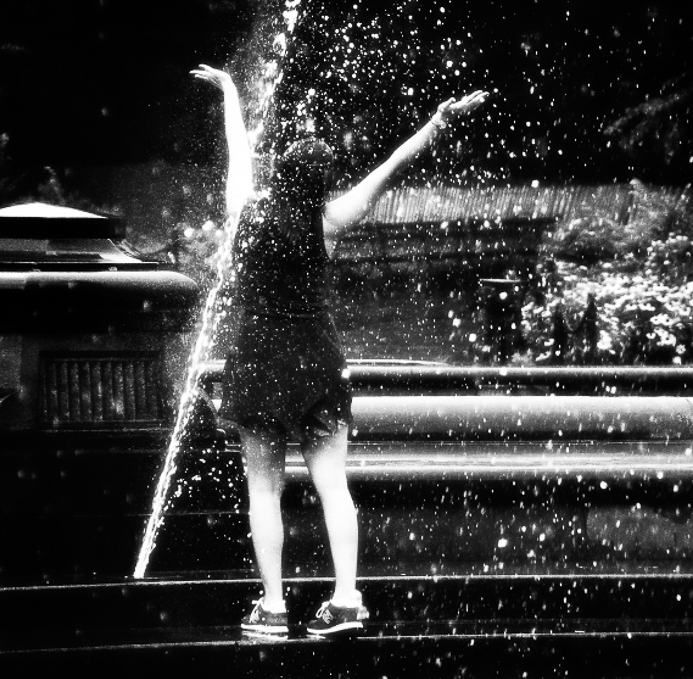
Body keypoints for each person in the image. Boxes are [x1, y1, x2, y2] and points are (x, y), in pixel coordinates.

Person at [191, 63, 485, 636]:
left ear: (281, 173)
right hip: (318, 360)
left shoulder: (246, 211)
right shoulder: (329, 220)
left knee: (263, 489)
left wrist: (230, 93)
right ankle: (347, 599)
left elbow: (237, 153)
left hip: (259, 360)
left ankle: (273, 606)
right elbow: (394, 166)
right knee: (334, 486)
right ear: (322, 183)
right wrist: (437, 122)